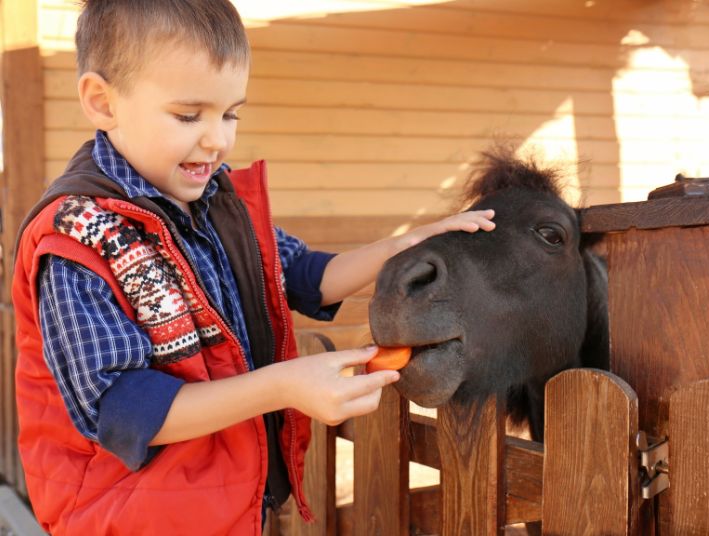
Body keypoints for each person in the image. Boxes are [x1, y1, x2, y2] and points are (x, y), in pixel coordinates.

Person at [12, 1, 495, 534]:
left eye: (230, 113)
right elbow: (124, 411)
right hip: (127, 516)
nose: (218, 139)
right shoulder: (75, 239)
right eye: (188, 115)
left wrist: (404, 246)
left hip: (223, 506)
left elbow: (306, 276)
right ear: (103, 103)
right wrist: (281, 387)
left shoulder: (219, 205)